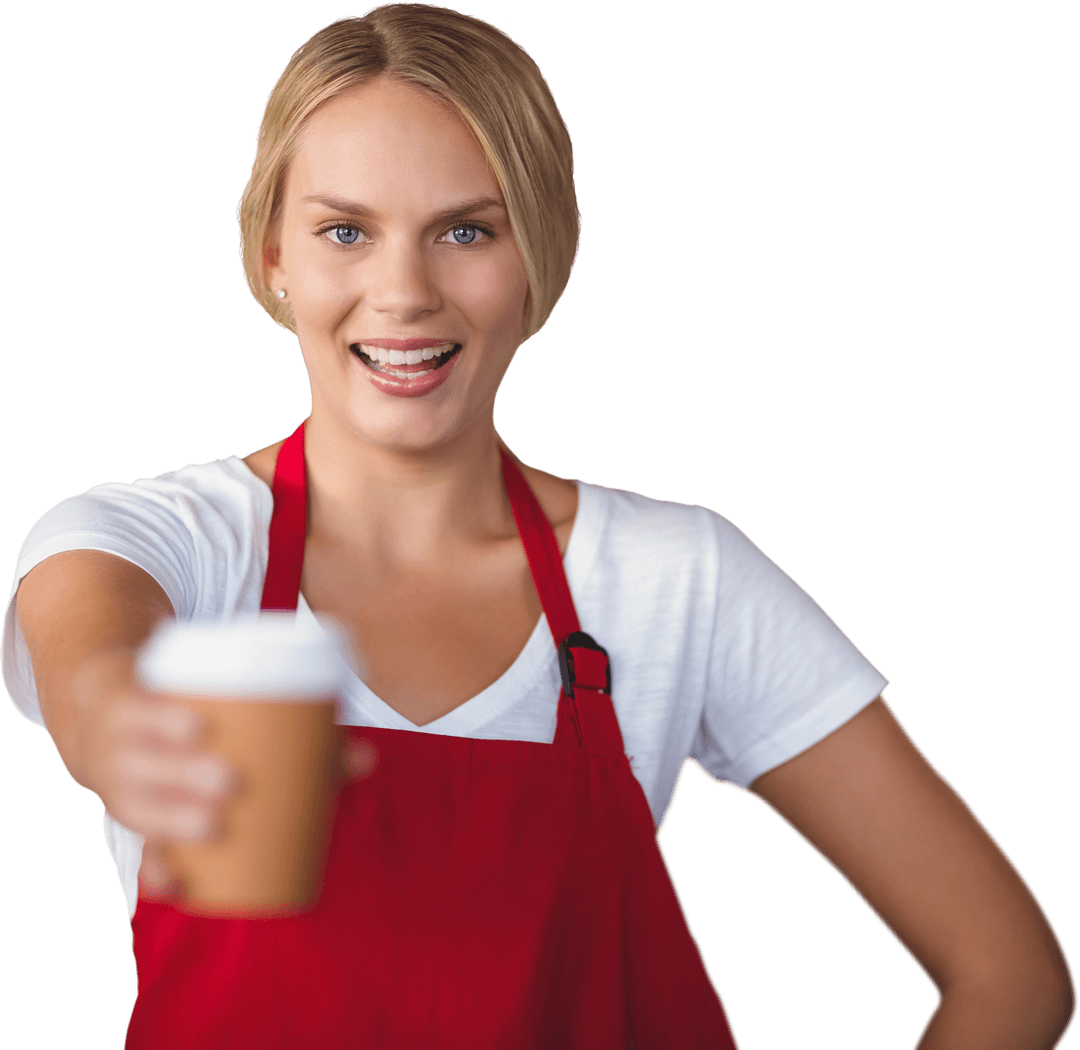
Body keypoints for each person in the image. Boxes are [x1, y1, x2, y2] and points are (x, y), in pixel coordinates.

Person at [3, 4, 1075, 1047]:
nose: (403, 292)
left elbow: (1010, 976)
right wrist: (117, 722)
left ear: (544, 253)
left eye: (466, 230)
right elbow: (90, 651)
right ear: (275, 255)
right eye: (345, 231)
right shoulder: (167, 543)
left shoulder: (673, 579)